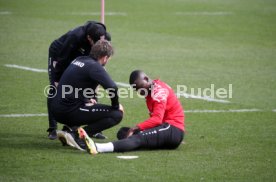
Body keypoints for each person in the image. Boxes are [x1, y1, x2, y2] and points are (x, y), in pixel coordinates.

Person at [75, 70, 185, 154]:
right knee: (123, 132)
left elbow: (157, 119)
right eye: (137, 90)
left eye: (140, 87)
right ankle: (148, 141)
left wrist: (136, 128)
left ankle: (98, 147)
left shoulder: (159, 92)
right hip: (165, 129)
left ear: (146, 79)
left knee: (137, 136)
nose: (140, 92)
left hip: (172, 129)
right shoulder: (150, 90)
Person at [51, 40, 123, 151]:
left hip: (56, 108)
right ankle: (77, 136)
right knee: (117, 114)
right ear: (105, 57)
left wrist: (85, 99)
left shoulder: (79, 59)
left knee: (90, 106)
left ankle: (68, 129)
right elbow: (112, 88)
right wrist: (115, 106)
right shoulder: (95, 66)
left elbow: (73, 83)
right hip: (68, 111)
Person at [47, 20, 111, 139]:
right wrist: (57, 79)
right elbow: (62, 58)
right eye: (94, 42)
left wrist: (100, 71)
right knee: (55, 88)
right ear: (88, 37)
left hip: (81, 56)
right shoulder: (75, 36)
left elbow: (103, 54)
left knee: (89, 85)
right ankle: (52, 129)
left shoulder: (104, 37)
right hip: (60, 54)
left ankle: (86, 128)